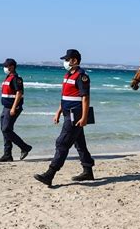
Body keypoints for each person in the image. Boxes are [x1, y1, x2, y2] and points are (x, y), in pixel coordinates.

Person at [34, 49, 95, 186]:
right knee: (79, 144)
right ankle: (88, 171)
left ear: (74, 61)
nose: (65, 62)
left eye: (67, 60)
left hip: (76, 115)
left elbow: (85, 98)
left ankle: (50, 174)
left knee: (62, 143)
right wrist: (58, 111)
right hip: (67, 112)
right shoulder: (68, 75)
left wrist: (84, 117)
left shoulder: (81, 76)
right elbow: (66, 97)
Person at [0, 58, 32, 162]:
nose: (5, 68)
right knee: (5, 130)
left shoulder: (16, 79)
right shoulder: (8, 77)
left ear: (12, 67)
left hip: (12, 108)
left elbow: (19, 93)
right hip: (5, 107)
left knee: (6, 129)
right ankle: (7, 155)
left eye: (6, 66)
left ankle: (25, 147)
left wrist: (13, 107)